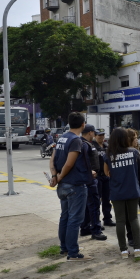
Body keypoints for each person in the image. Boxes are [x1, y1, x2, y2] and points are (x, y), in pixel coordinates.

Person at [49, 112, 93, 262]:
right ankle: (73, 253)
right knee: (75, 219)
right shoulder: (75, 140)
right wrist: (60, 177)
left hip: (62, 185)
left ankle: (65, 248)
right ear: (83, 125)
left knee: (65, 217)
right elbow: (69, 163)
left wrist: (55, 177)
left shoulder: (62, 138)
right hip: (74, 185)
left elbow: (52, 160)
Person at [104, 128, 140, 259]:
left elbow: (106, 173)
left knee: (120, 220)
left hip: (117, 192)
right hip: (133, 190)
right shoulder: (134, 152)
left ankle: (124, 251)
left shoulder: (109, 154)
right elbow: (138, 169)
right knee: (134, 219)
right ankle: (137, 249)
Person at [79, 124, 107, 241]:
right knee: (94, 205)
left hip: (88, 179)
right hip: (90, 180)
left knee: (87, 205)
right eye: (94, 133)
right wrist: (89, 172)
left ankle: (85, 227)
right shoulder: (84, 144)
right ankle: (96, 230)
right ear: (90, 132)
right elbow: (80, 161)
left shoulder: (83, 143)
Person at [93, 130, 115, 227]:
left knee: (107, 199)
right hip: (97, 176)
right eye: (99, 135)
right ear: (95, 136)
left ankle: (107, 218)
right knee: (97, 200)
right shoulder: (92, 146)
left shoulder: (106, 146)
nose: (101, 137)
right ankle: (96, 221)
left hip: (106, 176)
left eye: (102, 135)